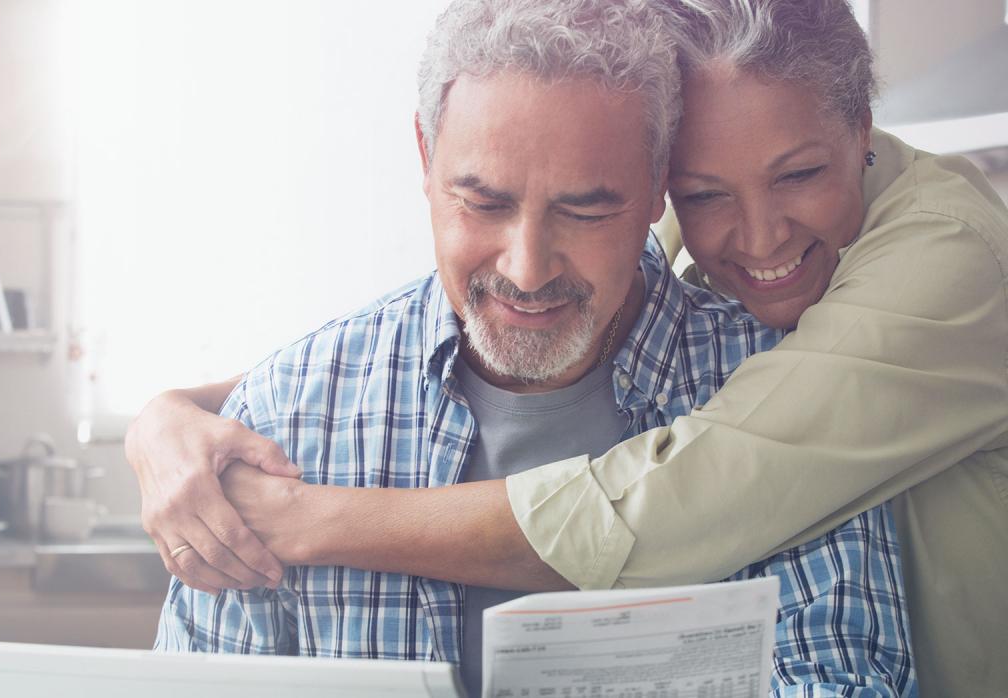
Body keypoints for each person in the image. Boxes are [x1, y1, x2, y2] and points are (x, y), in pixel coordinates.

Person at [133, 0, 1008, 694]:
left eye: (589, 210)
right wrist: (178, 412)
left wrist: (297, 519)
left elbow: (674, 513)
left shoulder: (942, 266)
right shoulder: (295, 407)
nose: (527, 266)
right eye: (705, 194)